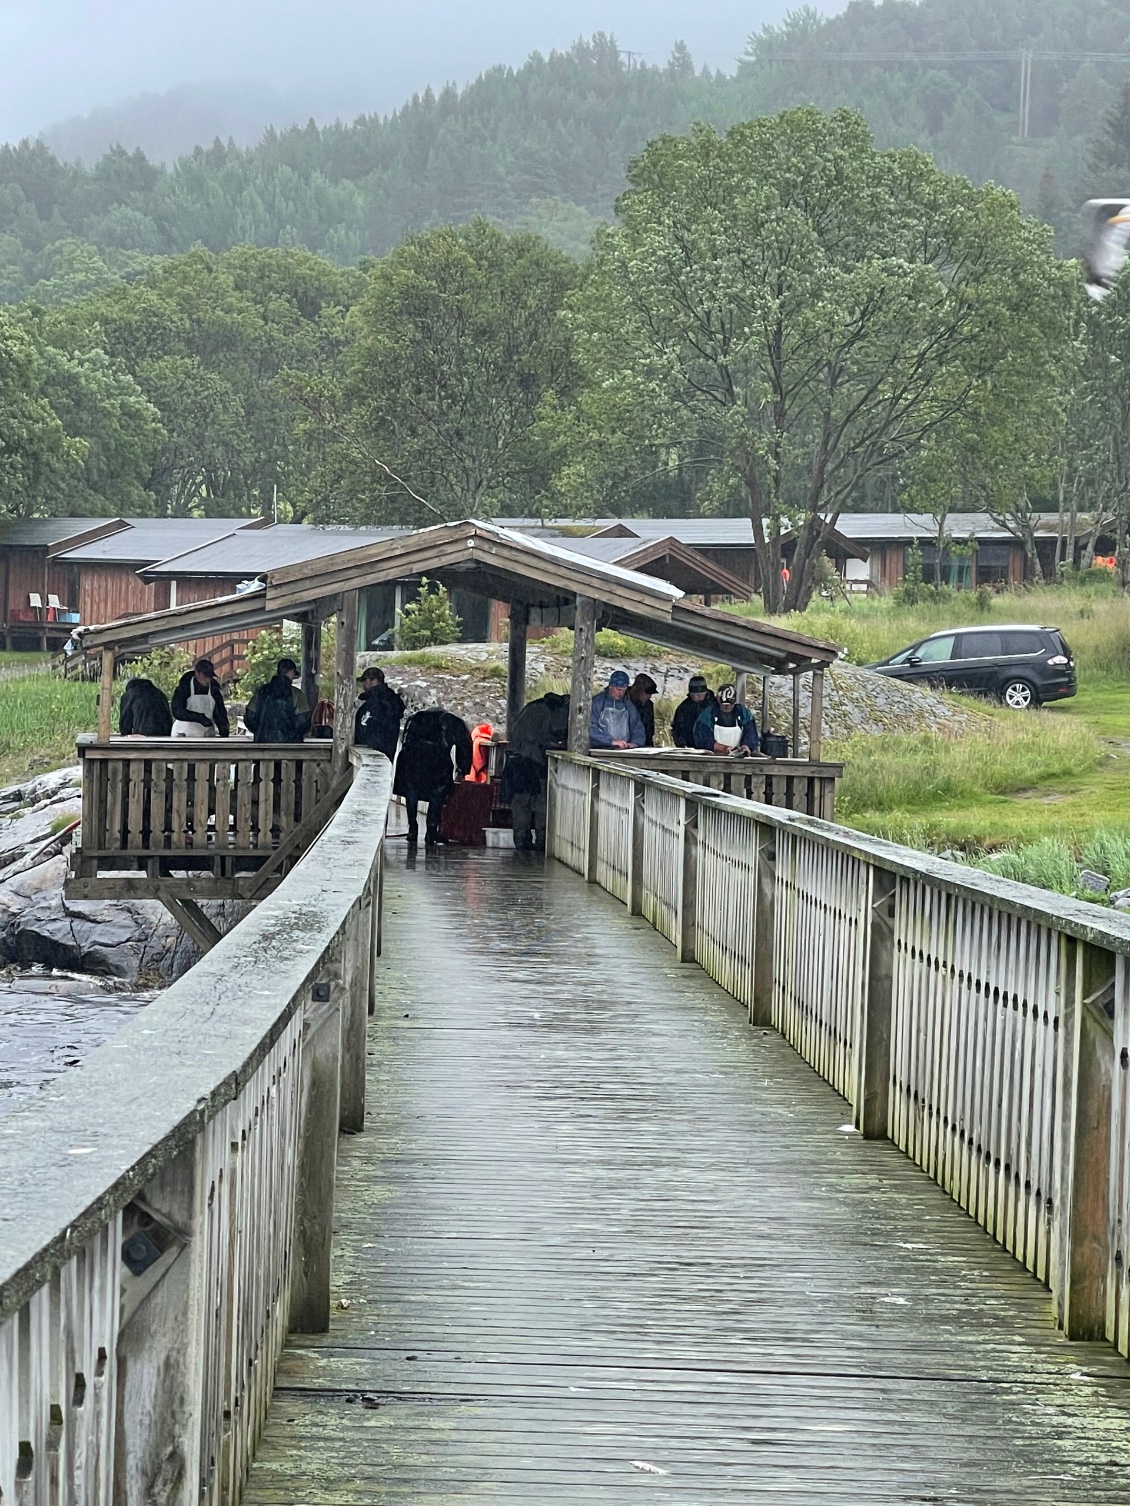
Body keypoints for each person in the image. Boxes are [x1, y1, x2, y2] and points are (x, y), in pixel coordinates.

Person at [393, 707, 473, 846]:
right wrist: (462, 770)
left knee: (411, 792)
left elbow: (405, 740)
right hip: (437, 760)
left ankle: (413, 828)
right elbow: (464, 746)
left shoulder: (416, 718)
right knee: (437, 795)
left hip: (411, 759)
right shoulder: (452, 722)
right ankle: (431, 831)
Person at [502, 692, 570, 851]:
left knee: (520, 802)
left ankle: (520, 841)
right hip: (534, 760)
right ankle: (542, 841)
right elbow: (558, 732)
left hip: (514, 759)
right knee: (540, 801)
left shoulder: (533, 706)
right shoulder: (558, 710)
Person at [245, 658, 310, 744]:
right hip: (290, 748)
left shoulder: (261, 692)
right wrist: (294, 736)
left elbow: (249, 717)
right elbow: (304, 721)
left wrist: (259, 731)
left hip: (263, 745)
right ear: (291, 672)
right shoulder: (297, 694)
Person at [693, 682, 759, 756]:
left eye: (730, 705)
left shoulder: (743, 713)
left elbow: (751, 733)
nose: (727, 707)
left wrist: (746, 747)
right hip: (713, 757)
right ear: (718, 700)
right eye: (724, 705)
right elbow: (702, 739)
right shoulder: (708, 714)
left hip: (739, 758)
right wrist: (723, 748)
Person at [354, 666, 405, 759]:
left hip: (371, 754)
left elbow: (364, 731)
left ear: (374, 681)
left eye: (365, 681)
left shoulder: (375, 703)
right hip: (387, 754)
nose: (363, 685)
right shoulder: (392, 700)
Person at [171, 659, 229, 738]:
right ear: (197, 673)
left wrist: (223, 728)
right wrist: (199, 718)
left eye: (210, 676)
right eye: (205, 676)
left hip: (206, 735)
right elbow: (177, 711)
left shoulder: (214, 689)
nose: (208, 679)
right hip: (183, 734)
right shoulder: (184, 687)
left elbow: (220, 711)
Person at [589, 670, 645, 750]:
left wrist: (634, 743)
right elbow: (590, 728)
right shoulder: (597, 702)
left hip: (623, 751)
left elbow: (637, 728)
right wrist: (610, 742)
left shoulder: (629, 706)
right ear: (610, 686)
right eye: (618, 690)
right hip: (599, 750)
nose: (621, 693)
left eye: (624, 690)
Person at [672, 675, 714, 748]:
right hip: (689, 748)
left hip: (712, 747)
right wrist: (681, 744)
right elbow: (677, 728)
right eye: (692, 695)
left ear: (705, 692)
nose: (695, 697)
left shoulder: (714, 705)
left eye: (698, 695)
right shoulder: (683, 707)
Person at [627, 673, 658, 748]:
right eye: (647, 692)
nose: (649, 696)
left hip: (645, 745)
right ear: (639, 690)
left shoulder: (649, 705)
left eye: (651, 693)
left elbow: (650, 730)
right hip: (626, 745)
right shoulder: (624, 702)